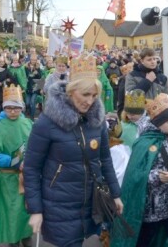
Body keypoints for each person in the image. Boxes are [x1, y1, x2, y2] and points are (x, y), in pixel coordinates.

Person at [24, 55, 123, 247]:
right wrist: (36, 210)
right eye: (85, 94)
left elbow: (105, 159)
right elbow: (31, 168)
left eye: (94, 96)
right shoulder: (47, 122)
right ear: (71, 91)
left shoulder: (97, 121)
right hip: (59, 203)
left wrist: (115, 193)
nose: (90, 101)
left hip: (90, 201)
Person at [111, 93, 168, 247]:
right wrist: (158, 177)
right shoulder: (145, 142)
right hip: (152, 209)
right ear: (159, 123)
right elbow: (136, 176)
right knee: (144, 241)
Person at [0, 84, 33, 247]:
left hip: (27, 177)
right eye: (9, 108)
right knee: (11, 212)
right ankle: (13, 240)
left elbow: (35, 147)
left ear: (22, 108)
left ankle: (27, 237)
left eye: (16, 108)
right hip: (7, 179)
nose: (13, 111)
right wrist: (14, 162)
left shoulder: (28, 124)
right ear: (4, 108)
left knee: (26, 210)